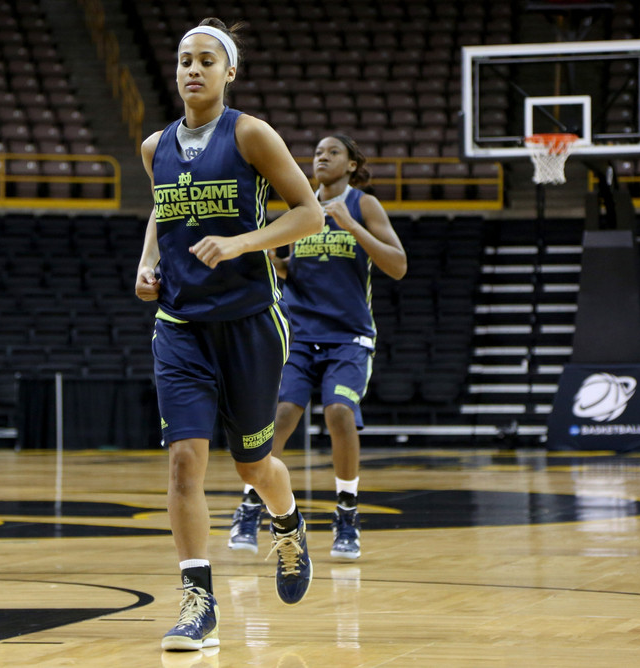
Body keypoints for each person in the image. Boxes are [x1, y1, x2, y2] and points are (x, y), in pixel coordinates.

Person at [134, 18, 324, 652]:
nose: (193, 69)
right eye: (185, 59)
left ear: (229, 72)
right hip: (180, 326)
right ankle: (197, 602)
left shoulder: (250, 134)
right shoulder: (154, 145)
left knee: (251, 462)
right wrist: (149, 261)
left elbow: (310, 213)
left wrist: (244, 241)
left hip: (249, 325)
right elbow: (164, 210)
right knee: (185, 461)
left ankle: (288, 521)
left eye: (206, 60)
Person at [227, 134, 407, 561]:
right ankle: (252, 504)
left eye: (333, 152)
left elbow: (397, 265)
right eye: (318, 152)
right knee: (282, 415)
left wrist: (352, 225)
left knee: (339, 412)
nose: (322, 157)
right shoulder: (302, 205)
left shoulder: (363, 205)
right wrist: (274, 259)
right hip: (301, 332)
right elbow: (292, 272)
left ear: (350, 165)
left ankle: (347, 514)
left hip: (348, 335)